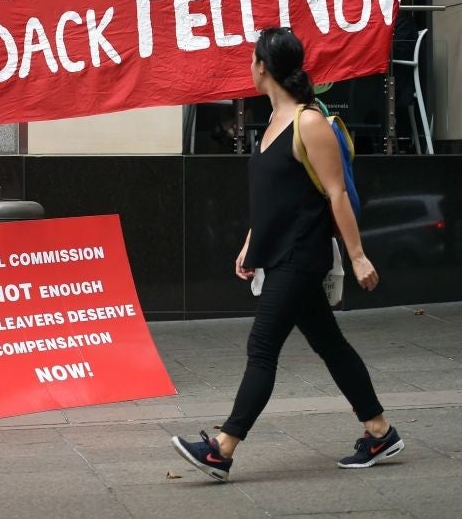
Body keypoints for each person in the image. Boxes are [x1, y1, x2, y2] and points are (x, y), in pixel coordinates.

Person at [171, 27, 399, 482]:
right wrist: (251, 242)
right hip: (279, 251)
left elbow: (334, 194)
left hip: (302, 253)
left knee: (262, 347)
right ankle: (380, 432)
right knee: (330, 344)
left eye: (252, 60)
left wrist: (357, 256)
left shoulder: (308, 122)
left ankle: (222, 447)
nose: (249, 67)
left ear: (263, 67)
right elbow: (277, 194)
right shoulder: (273, 123)